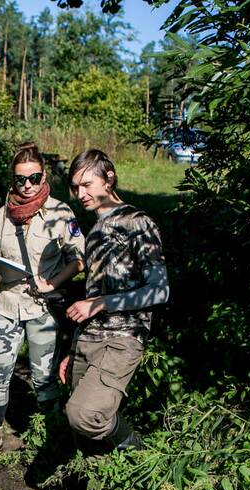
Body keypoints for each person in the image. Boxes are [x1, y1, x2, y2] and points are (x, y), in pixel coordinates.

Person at [0, 142, 85, 458]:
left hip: (41, 308)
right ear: (13, 179)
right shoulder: (2, 215)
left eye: (33, 178)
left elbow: (79, 259)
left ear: (43, 175)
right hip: (7, 304)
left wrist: (52, 283)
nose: (27, 185)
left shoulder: (60, 213)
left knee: (43, 377)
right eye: (21, 179)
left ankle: (52, 436)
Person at [59, 149, 170, 450]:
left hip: (121, 339)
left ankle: (138, 448)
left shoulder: (138, 222)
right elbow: (91, 296)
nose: (80, 193)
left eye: (87, 184)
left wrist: (103, 303)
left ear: (109, 179)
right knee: (82, 436)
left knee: (85, 415)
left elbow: (160, 291)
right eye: (75, 187)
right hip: (89, 340)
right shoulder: (94, 233)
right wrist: (73, 349)